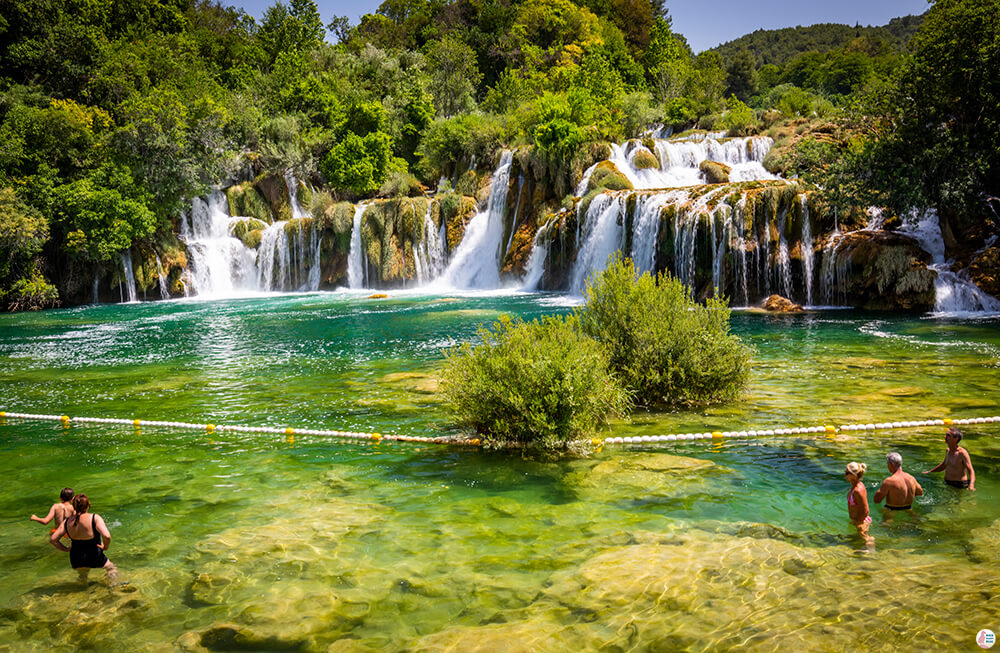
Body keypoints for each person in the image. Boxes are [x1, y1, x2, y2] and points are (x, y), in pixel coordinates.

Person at [50, 494, 118, 585]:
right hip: (94, 555)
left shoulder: (67, 521)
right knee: (111, 569)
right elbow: (107, 536)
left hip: (76, 557)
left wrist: (65, 549)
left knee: (83, 575)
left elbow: (53, 540)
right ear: (88, 505)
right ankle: (112, 587)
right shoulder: (94, 518)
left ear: (74, 507)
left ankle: (82, 591)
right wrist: (105, 546)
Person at [873, 451, 923, 518]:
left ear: (891, 465)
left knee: (886, 524)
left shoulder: (889, 481)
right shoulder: (911, 478)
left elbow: (877, 500)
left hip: (892, 508)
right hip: (908, 508)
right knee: (917, 519)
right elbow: (920, 493)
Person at [844, 461, 874, 549]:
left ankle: (872, 555)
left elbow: (866, 510)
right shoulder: (854, 486)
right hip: (857, 520)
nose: (845, 475)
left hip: (862, 521)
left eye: (847, 473)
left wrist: (859, 523)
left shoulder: (858, 490)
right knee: (859, 540)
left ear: (854, 475)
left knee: (867, 539)